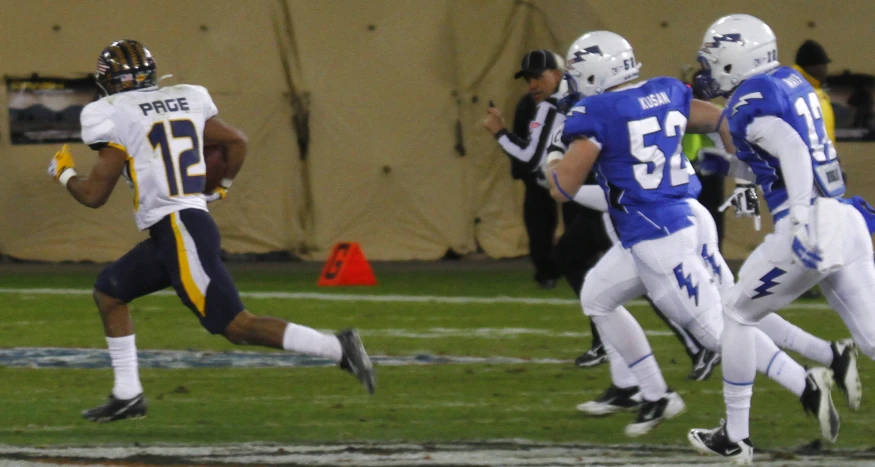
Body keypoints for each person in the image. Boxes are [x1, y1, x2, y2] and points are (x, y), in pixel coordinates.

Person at [47, 40, 376, 422]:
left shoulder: (113, 113)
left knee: (236, 325)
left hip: (179, 228)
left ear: (109, 82)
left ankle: (337, 347)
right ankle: (128, 394)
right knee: (110, 291)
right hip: (178, 227)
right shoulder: (186, 96)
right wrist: (221, 188)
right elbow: (236, 140)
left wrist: (64, 173)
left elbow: (93, 195)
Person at [548, 30, 837, 439]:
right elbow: (720, 118)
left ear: (595, 72)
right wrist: (742, 166)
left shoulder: (595, 113)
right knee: (597, 296)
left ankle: (806, 384)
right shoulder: (664, 90)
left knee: (721, 333)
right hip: (687, 215)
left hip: (659, 239)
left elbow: (562, 188)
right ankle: (655, 394)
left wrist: (554, 154)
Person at [688, 15, 875, 464]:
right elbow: (775, 155)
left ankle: (735, 436)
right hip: (842, 219)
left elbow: (790, 147)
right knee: (872, 340)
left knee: (735, 313)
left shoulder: (748, 102)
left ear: (736, 58)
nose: (708, 68)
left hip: (809, 223)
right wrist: (728, 168)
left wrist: (802, 217)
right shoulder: (788, 81)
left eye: (714, 58)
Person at [484, 50, 611, 366]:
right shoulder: (588, 96)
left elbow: (529, 157)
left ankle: (695, 341)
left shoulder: (555, 105)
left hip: (604, 195)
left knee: (642, 274)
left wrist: (499, 132)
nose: (532, 84)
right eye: (528, 79)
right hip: (598, 193)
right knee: (579, 259)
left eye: (538, 76)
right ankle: (606, 340)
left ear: (558, 73)